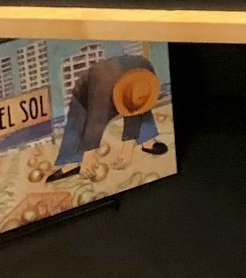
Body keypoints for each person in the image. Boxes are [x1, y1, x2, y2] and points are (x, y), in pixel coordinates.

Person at [45, 52, 169, 184]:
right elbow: (95, 122)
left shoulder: (145, 69)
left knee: (139, 103)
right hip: (87, 91)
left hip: (125, 84)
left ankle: (147, 139)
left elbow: (135, 107)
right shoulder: (101, 91)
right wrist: (89, 155)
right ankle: (72, 161)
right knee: (78, 119)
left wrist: (127, 149)